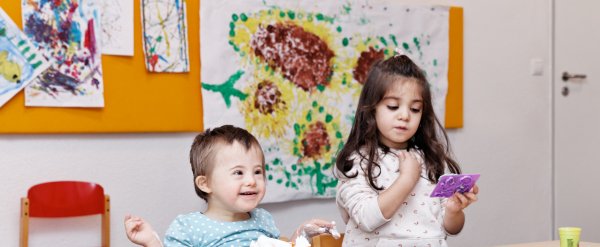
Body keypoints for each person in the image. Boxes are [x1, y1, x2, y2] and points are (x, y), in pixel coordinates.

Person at [335, 53, 479, 246]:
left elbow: (451, 229)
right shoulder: (357, 161)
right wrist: (407, 179)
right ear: (372, 109)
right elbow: (366, 218)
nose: (405, 115)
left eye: (415, 109)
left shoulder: (431, 159)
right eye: (393, 106)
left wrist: (454, 210)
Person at [125, 125, 335, 247]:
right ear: (205, 183)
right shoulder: (188, 227)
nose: (251, 180)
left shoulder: (263, 219)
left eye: (257, 171)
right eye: (238, 173)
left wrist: (300, 235)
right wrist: (151, 241)